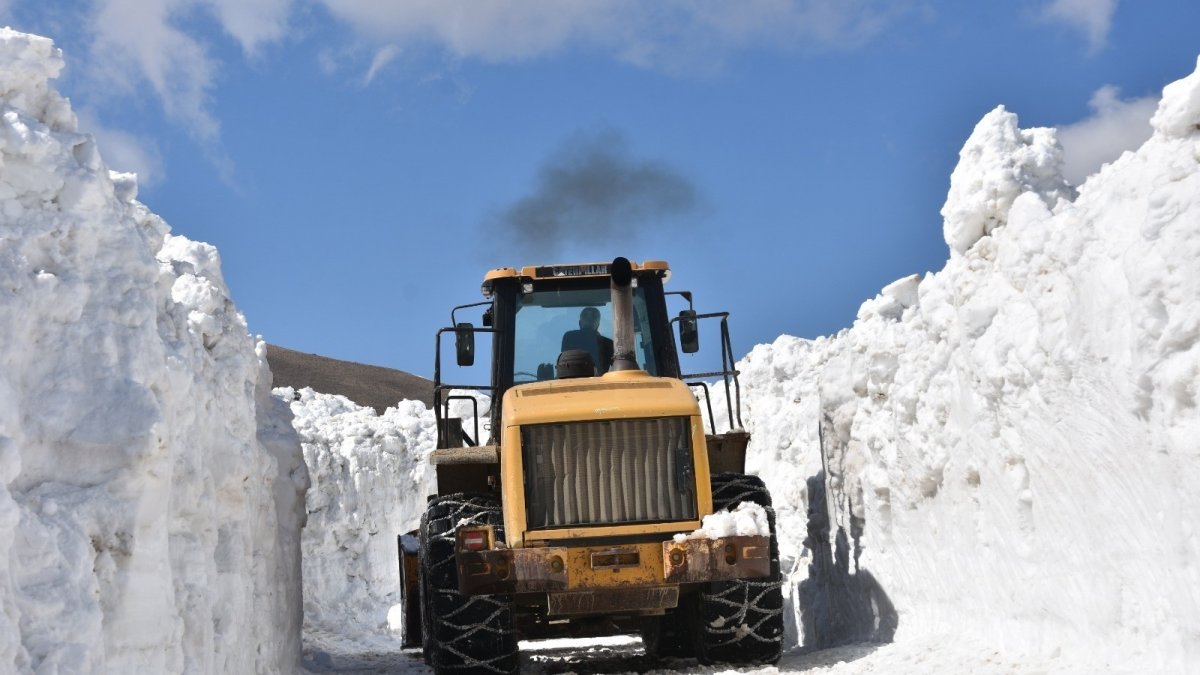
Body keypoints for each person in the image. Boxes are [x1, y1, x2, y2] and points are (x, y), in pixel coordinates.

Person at [561, 307, 614, 375]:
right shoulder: (609, 343)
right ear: (598, 325)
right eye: (586, 316)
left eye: (593, 316)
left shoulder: (569, 337)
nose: (589, 318)